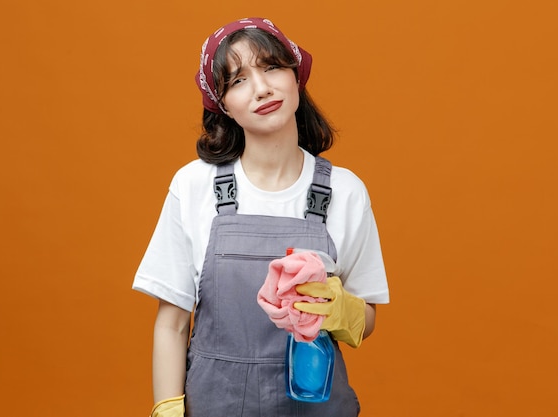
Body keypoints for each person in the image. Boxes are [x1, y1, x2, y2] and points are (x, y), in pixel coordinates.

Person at [133, 17, 389, 417]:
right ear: (223, 107)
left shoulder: (345, 191)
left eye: (271, 67)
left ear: (295, 76)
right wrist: (167, 409)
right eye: (237, 81)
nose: (261, 88)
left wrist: (340, 310)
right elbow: (172, 324)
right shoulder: (194, 186)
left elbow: (367, 318)